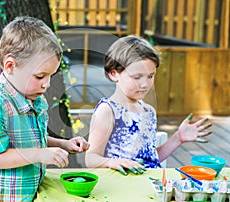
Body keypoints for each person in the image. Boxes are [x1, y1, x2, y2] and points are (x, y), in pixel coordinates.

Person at [0, 16, 90, 201]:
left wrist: (63, 144)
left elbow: (30, 139)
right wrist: (40, 154)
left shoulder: (31, 99)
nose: (46, 84)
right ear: (10, 66)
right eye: (40, 76)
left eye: (50, 76)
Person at [85, 35, 212, 175]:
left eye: (150, 76)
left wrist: (178, 138)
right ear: (114, 74)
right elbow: (91, 158)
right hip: (121, 187)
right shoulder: (108, 110)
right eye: (137, 77)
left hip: (150, 184)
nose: (145, 84)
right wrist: (112, 162)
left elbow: (150, 158)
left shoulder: (148, 111)